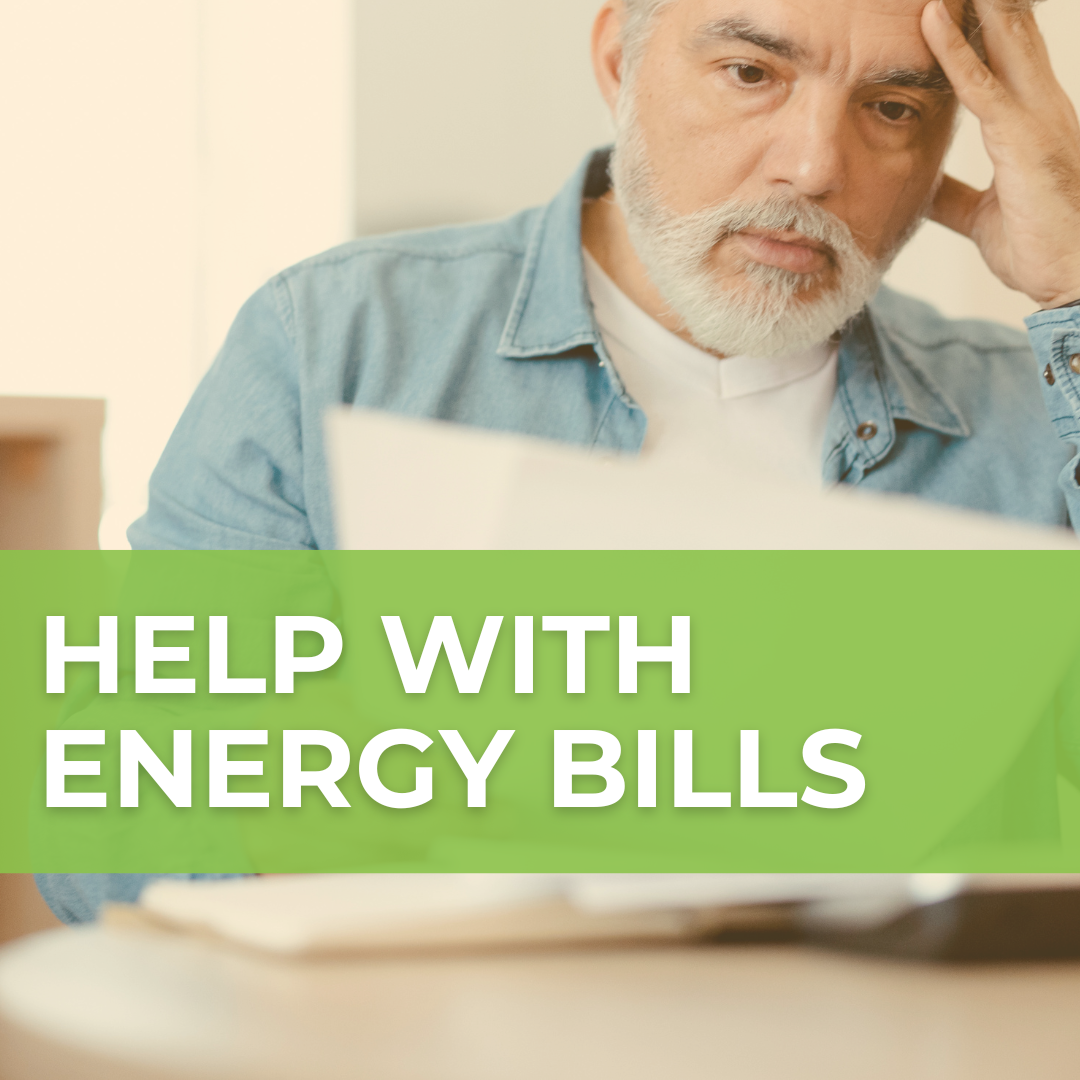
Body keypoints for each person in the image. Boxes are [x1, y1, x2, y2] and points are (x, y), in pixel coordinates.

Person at [39, 0, 1080, 921]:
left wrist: (1076, 288)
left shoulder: (1028, 417)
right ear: (620, 65)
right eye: (751, 73)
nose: (814, 165)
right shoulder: (336, 342)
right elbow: (99, 829)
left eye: (894, 108)